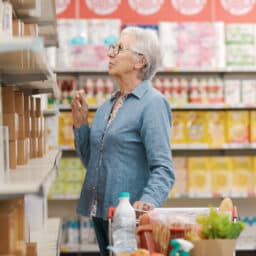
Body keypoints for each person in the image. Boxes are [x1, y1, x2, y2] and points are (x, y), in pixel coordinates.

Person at [71, 26, 175, 256]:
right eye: (112, 48)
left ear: (140, 61)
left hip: (129, 219)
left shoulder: (152, 104)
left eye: (119, 48)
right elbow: (92, 161)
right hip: (100, 212)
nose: (110, 53)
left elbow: (164, 169)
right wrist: (80, 126)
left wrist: (147, 202)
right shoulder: (107, 105)